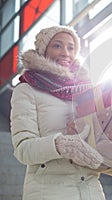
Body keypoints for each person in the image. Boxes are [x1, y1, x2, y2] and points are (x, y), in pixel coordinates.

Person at [10, 25, 106, 200]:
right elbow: (23, 149)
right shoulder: (26, 90)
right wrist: (61, 145)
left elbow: (100, 142)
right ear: (43, 50)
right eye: (57, 46)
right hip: (49, 192)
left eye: (71, 47)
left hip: (92, 192)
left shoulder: (86, 91)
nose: (65, 53)